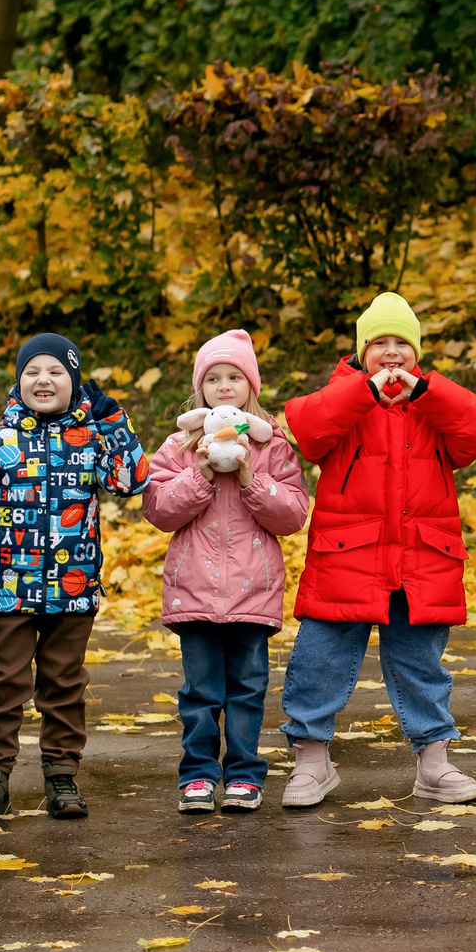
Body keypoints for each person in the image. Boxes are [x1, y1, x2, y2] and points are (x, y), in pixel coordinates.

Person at [278, 292, 476, 808]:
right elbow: (307, 429)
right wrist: (364, 391)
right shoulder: (341, 398)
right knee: (320, 660)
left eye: (403, 342)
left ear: (418, 353)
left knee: (422, 665)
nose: (392, 352)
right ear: (360, 353)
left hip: (423, 559)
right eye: (380, 343)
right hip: (346, 556)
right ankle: (312, 762)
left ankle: (434, 763)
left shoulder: (432, 403)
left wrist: (426, 393)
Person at [0, 333, 150, 823]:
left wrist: (112, 418)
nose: (43, 380)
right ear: (18, 382)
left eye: (56, 372)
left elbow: (132, 480)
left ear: (75, 381)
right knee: (2, 682)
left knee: (64, 684)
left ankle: (61, 776)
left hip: (73, 585)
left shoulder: (92, 438)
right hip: (10, 589)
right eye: (32, 372)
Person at [141, 329, 310, 815]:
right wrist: (202, 475)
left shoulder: (271, 445)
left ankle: (243, 774)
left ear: (250, 387)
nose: (224, 386)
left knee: (248, 689)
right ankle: (197, 775)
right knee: (199, 691)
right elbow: (159, 509)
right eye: (213, 378)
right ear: (200, 391)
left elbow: (294, 514)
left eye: (234, 376)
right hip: (193, 592)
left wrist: (250, 480)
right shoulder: (179, 446)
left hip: (251, 593)